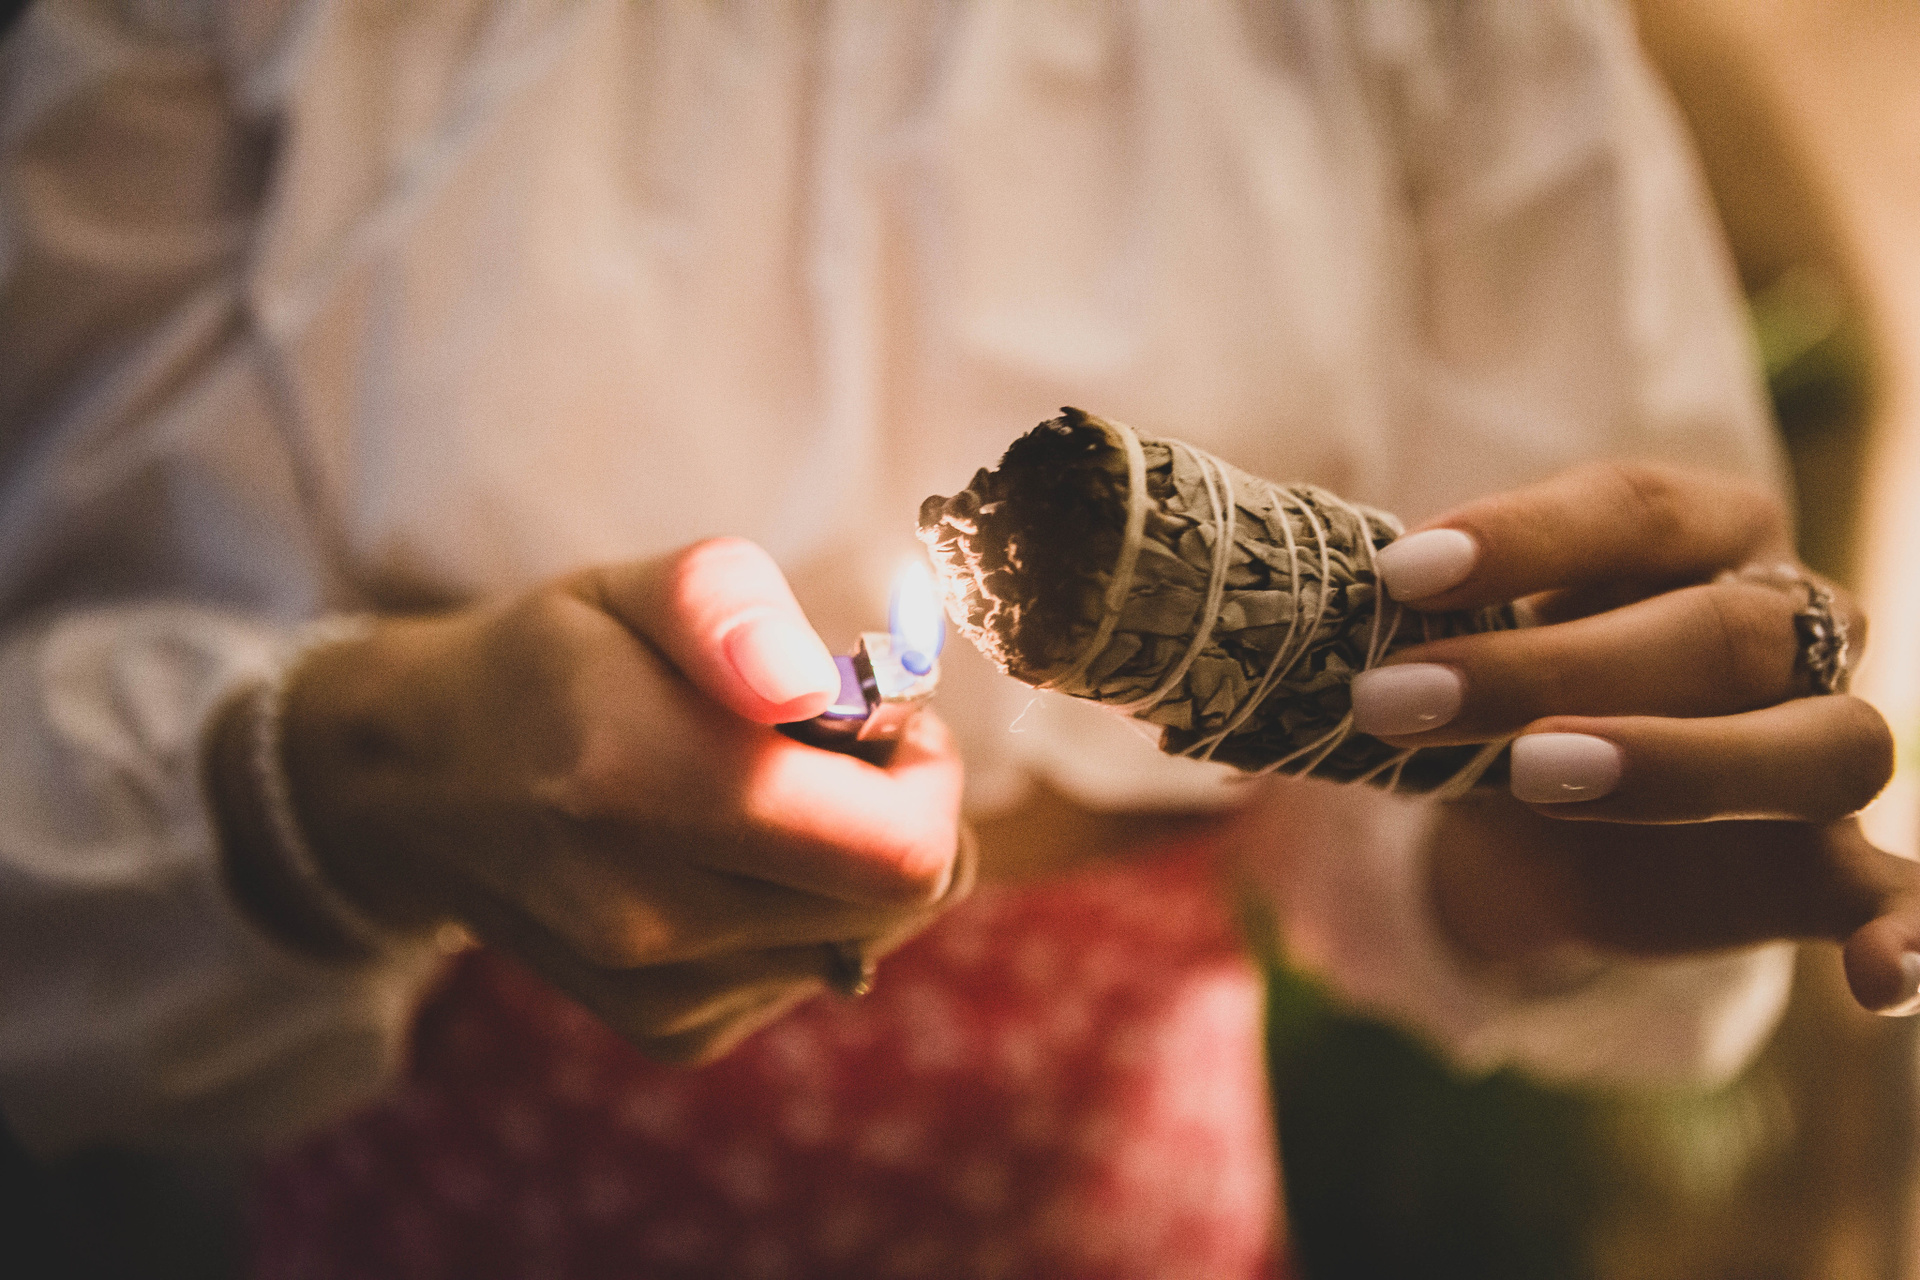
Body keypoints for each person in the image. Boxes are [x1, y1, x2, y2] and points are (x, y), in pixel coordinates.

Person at [1, 0, 1914, 1275]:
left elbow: (1458, 766)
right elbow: (58, 696)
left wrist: (1531, 848)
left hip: (1118, 1210)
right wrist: (361, 767)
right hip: (459, 1185)